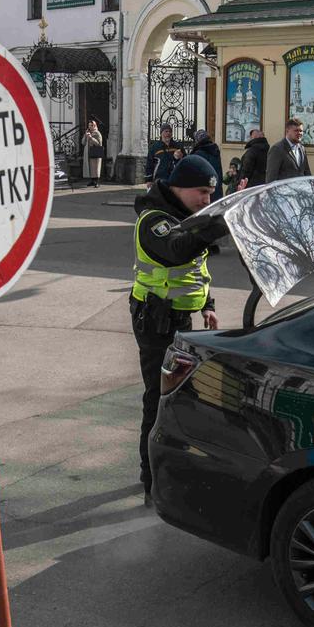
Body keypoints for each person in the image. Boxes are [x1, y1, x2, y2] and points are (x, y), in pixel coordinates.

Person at [131, 155, 230, 502]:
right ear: (179, 186)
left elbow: (194, 271)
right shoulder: (154, 220)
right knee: (158, 400)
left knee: (182, 398)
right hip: (156, 320)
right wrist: (217, 225)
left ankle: (171, 469)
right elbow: (176, 253)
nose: (206, 199)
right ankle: (151, 482)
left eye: (211, 193)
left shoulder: (184, 216)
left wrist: (208, 305)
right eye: (202, 191)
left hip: (181, 318)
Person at [265, 118, 311, 182]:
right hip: (284, 191)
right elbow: (271, 177)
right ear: (287, 131)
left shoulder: (301, 148)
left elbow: (307, 172)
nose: (299, 133)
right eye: (296, 130)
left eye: (301, 131)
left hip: (300, 190)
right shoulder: (277, 149)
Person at [190, 129, 224, 202]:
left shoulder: (198, 153)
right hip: (216, 188)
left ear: (198, 141)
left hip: (204, 192)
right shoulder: (215, 150)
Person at [81, 120, 104, 188]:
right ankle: (92, 181)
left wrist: (91, 138)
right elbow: (83, 143)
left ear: (94, 125)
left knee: (96, 167)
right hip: (88, 151)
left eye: (91, 125)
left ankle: (97, 182)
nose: (90, 127)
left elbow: (99, 144)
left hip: (95, 151)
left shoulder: (97, 133)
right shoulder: (87, 132)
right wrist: (85, 136)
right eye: (89, 125)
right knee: (90, 167)